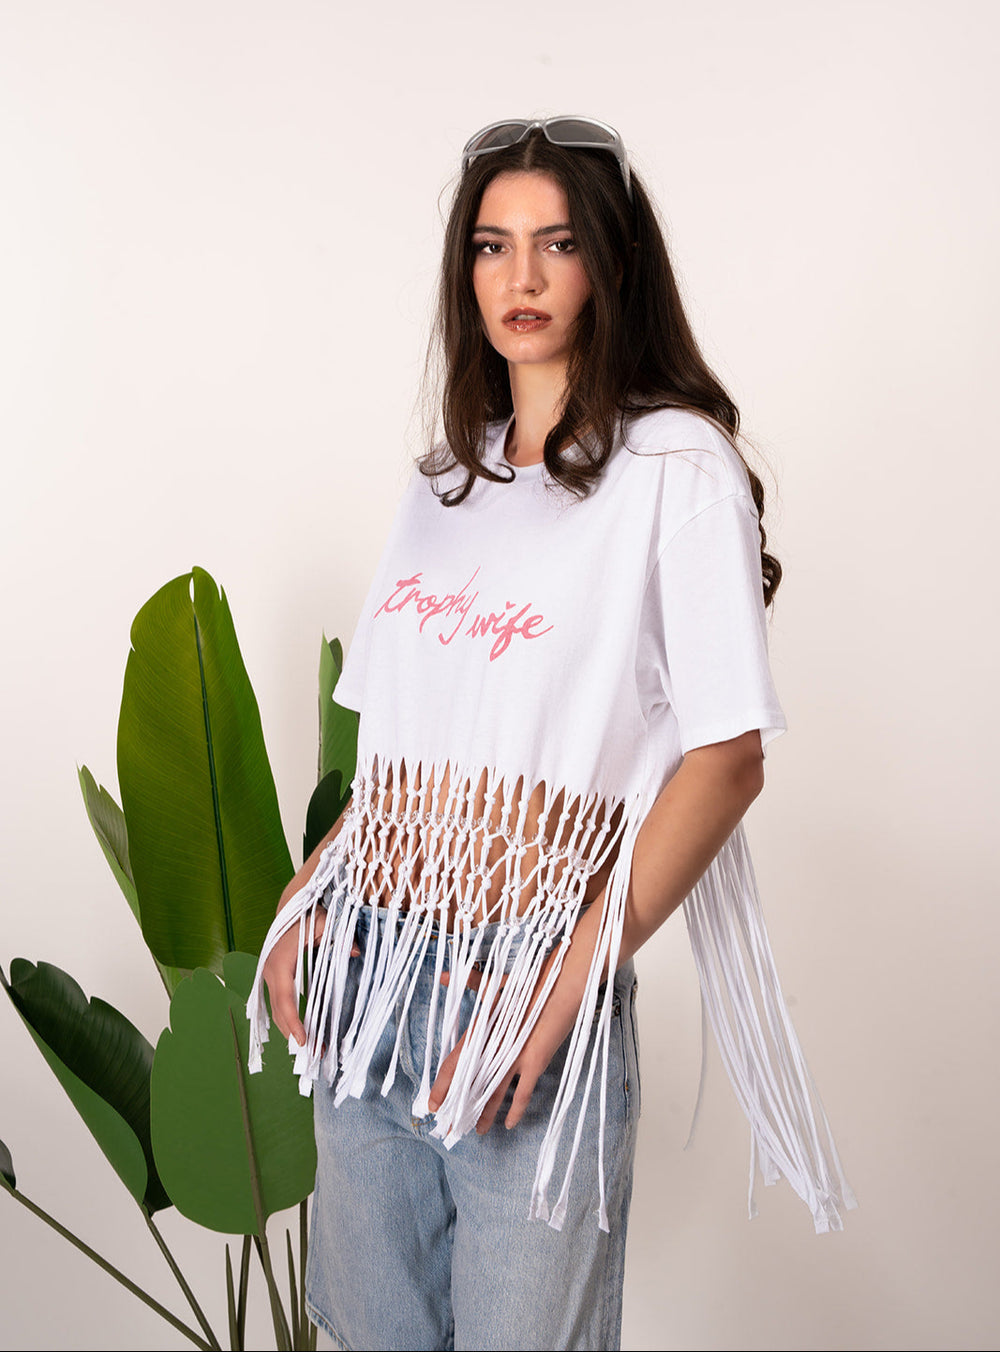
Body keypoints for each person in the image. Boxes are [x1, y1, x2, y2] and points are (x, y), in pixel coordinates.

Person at [247, 116, 854, 1352]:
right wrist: (308, 895)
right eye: (490, 245)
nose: (519, 279)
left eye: (556, 243)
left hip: (524, 987)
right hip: (369, 974)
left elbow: (728, 754)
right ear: (463, 271)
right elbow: (412, 744)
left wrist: (570, 978)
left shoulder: (675, 468)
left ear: (609, 264)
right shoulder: (447, 478)